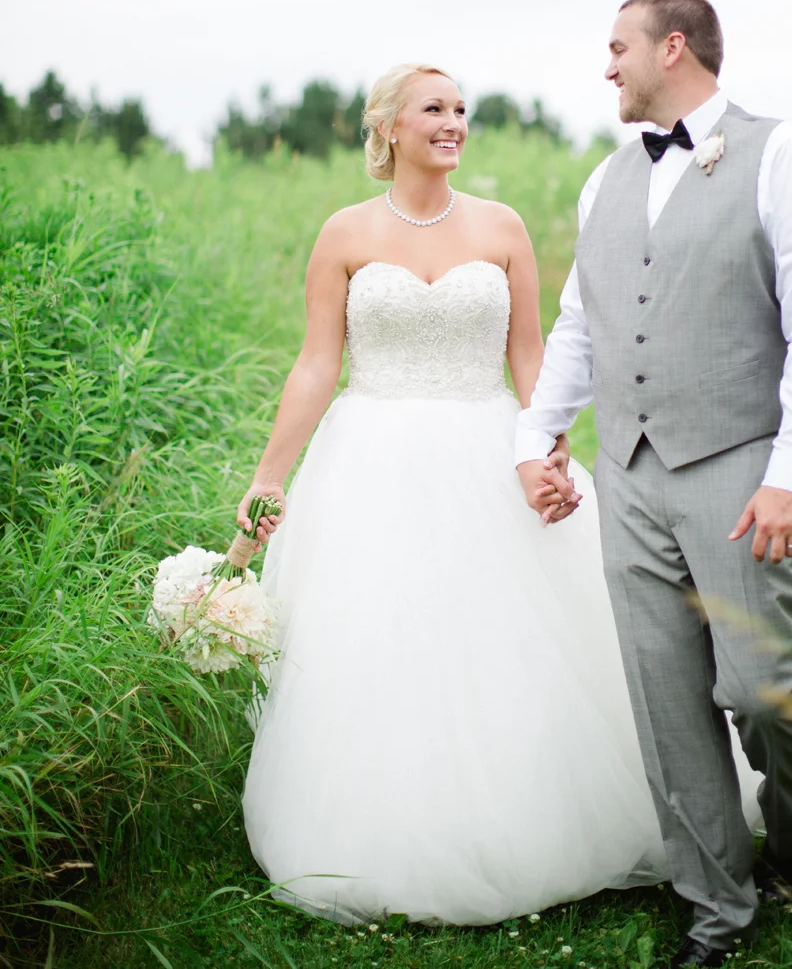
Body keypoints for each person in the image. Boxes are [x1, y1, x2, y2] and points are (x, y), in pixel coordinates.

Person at [237, 60, 763, 926]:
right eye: (433, 109)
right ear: (389, 129)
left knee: (519, 641)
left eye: (461, 109)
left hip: (488, 449)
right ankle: (389, 833)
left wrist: (546, 450)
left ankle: (568, 819)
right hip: (372, 460)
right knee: (383, 642)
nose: (453, 122)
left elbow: (531, 356)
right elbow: (317, 364)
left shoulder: (503, 227)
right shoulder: (344, 234)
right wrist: (269, 476)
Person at [515, 0, 792, 969]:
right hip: (628, 476)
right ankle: (718, 912)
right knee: (669, 708)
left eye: (618, 47)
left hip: (744, 469)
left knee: (761, 690)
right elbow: (582, 327)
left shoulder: (779, 155)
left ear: (674, 47)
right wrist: (539, 437)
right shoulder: (602, 183)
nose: (606, 65)